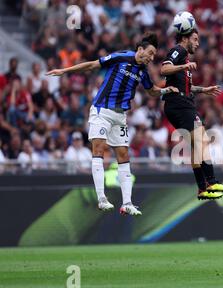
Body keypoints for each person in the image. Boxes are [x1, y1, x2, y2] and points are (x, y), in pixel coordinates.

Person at [46, 32, 179, 215]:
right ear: (140, 49)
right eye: (149, 52)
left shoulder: (143, 72)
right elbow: (92, 65)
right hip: (102, 110)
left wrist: (166, 91)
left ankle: (127, 203)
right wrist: (64, 71)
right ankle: (101, 198)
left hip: (120, 116)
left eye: (153, 55)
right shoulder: (120, 57)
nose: (151, 57)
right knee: (98, 149)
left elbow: (152, 91)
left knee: (124, 156)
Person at [161, 28, 223, 200]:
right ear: (185, 38)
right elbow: (164, 69)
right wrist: (184, 65)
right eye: (194, 39)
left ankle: (202, 188)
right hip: (180, 105)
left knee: (196, 146)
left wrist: (204, 89)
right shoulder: (178, 50)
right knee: (203, 141)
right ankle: (212, 181)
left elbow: (186, 87)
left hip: (180, 103)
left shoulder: (184, 58)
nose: (197, 43)